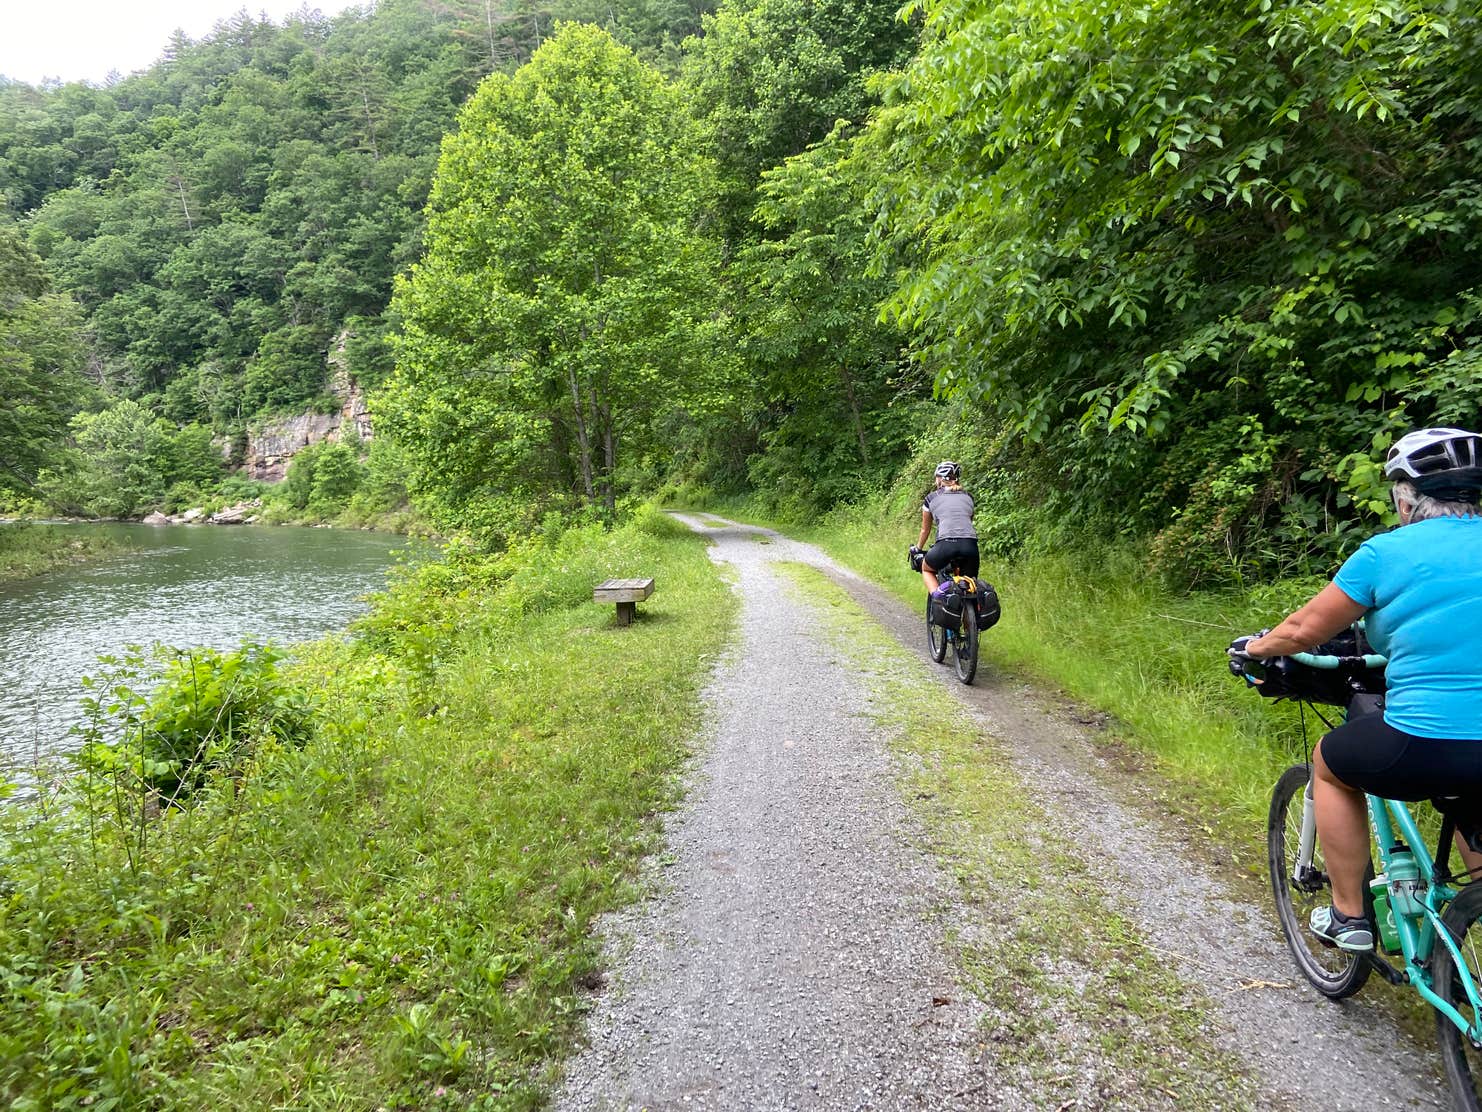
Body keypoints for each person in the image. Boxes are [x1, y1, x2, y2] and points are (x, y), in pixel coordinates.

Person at [1234, 427, 1482, 952]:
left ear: (1406, 496)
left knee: (1331, 762)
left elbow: (1304, 631)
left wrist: (1256, 648)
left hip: (1426, 737)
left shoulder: (1386, 553)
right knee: (1468, 794)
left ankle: (1350, 917)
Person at [914, 460, 979, 594]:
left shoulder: (931, 498)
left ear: (939, 479)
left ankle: (939, 595)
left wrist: (918, 548)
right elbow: (967, 521)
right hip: (970, 546)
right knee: (970, 586)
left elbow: (925, 530)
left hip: (946, 544)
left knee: (926, 569)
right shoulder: (969, 497)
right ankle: (972, 609)